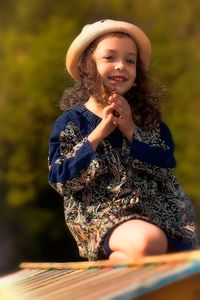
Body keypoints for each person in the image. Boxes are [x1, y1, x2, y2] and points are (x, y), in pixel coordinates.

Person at [48, 19, 197, 261]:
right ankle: (114, 260)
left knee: (184, 260)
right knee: (149, 241)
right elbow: (61, 180)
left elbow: (165, 166)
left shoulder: (148, 120)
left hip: (163, 217)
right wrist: (99, 133)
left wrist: (130, 128)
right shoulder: (72, 122)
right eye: (110, 58)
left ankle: (126, 261)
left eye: (130, 60)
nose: (121, 66)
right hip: (103, 217)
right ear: (87, 66)